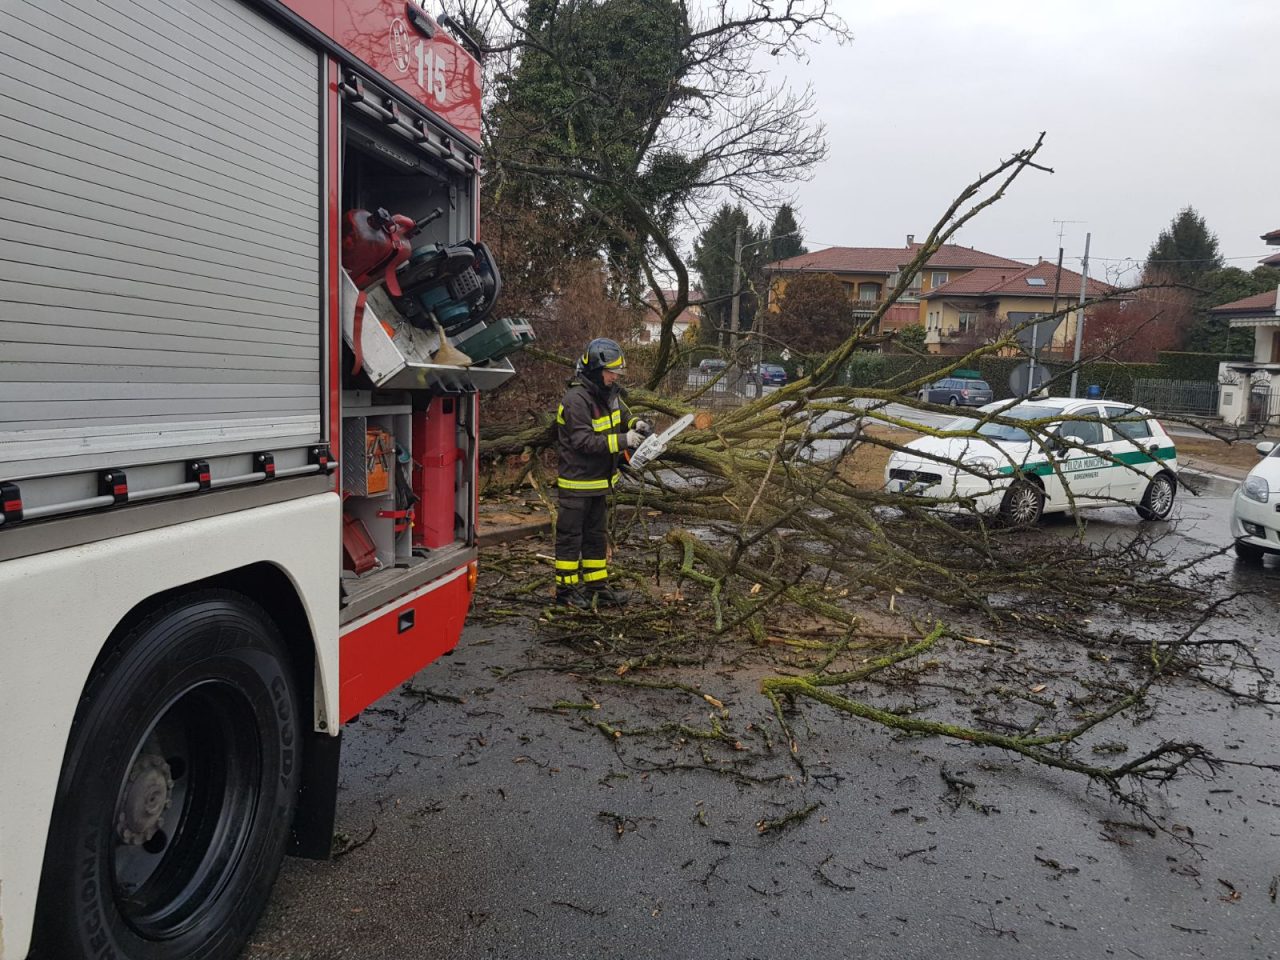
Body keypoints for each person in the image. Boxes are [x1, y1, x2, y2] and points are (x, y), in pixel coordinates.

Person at [553, 338, 650, 608]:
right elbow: (583, 441)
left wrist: (637, 424)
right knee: (571, 540)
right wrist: (624, 441)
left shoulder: (608, 395)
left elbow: (622, 418)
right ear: (596, 370)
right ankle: (566, 593)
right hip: (577, 483)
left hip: (599, 483)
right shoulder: (576, 400)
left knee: (596, 537)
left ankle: (597, 587)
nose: (614, 377)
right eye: (610, 372)